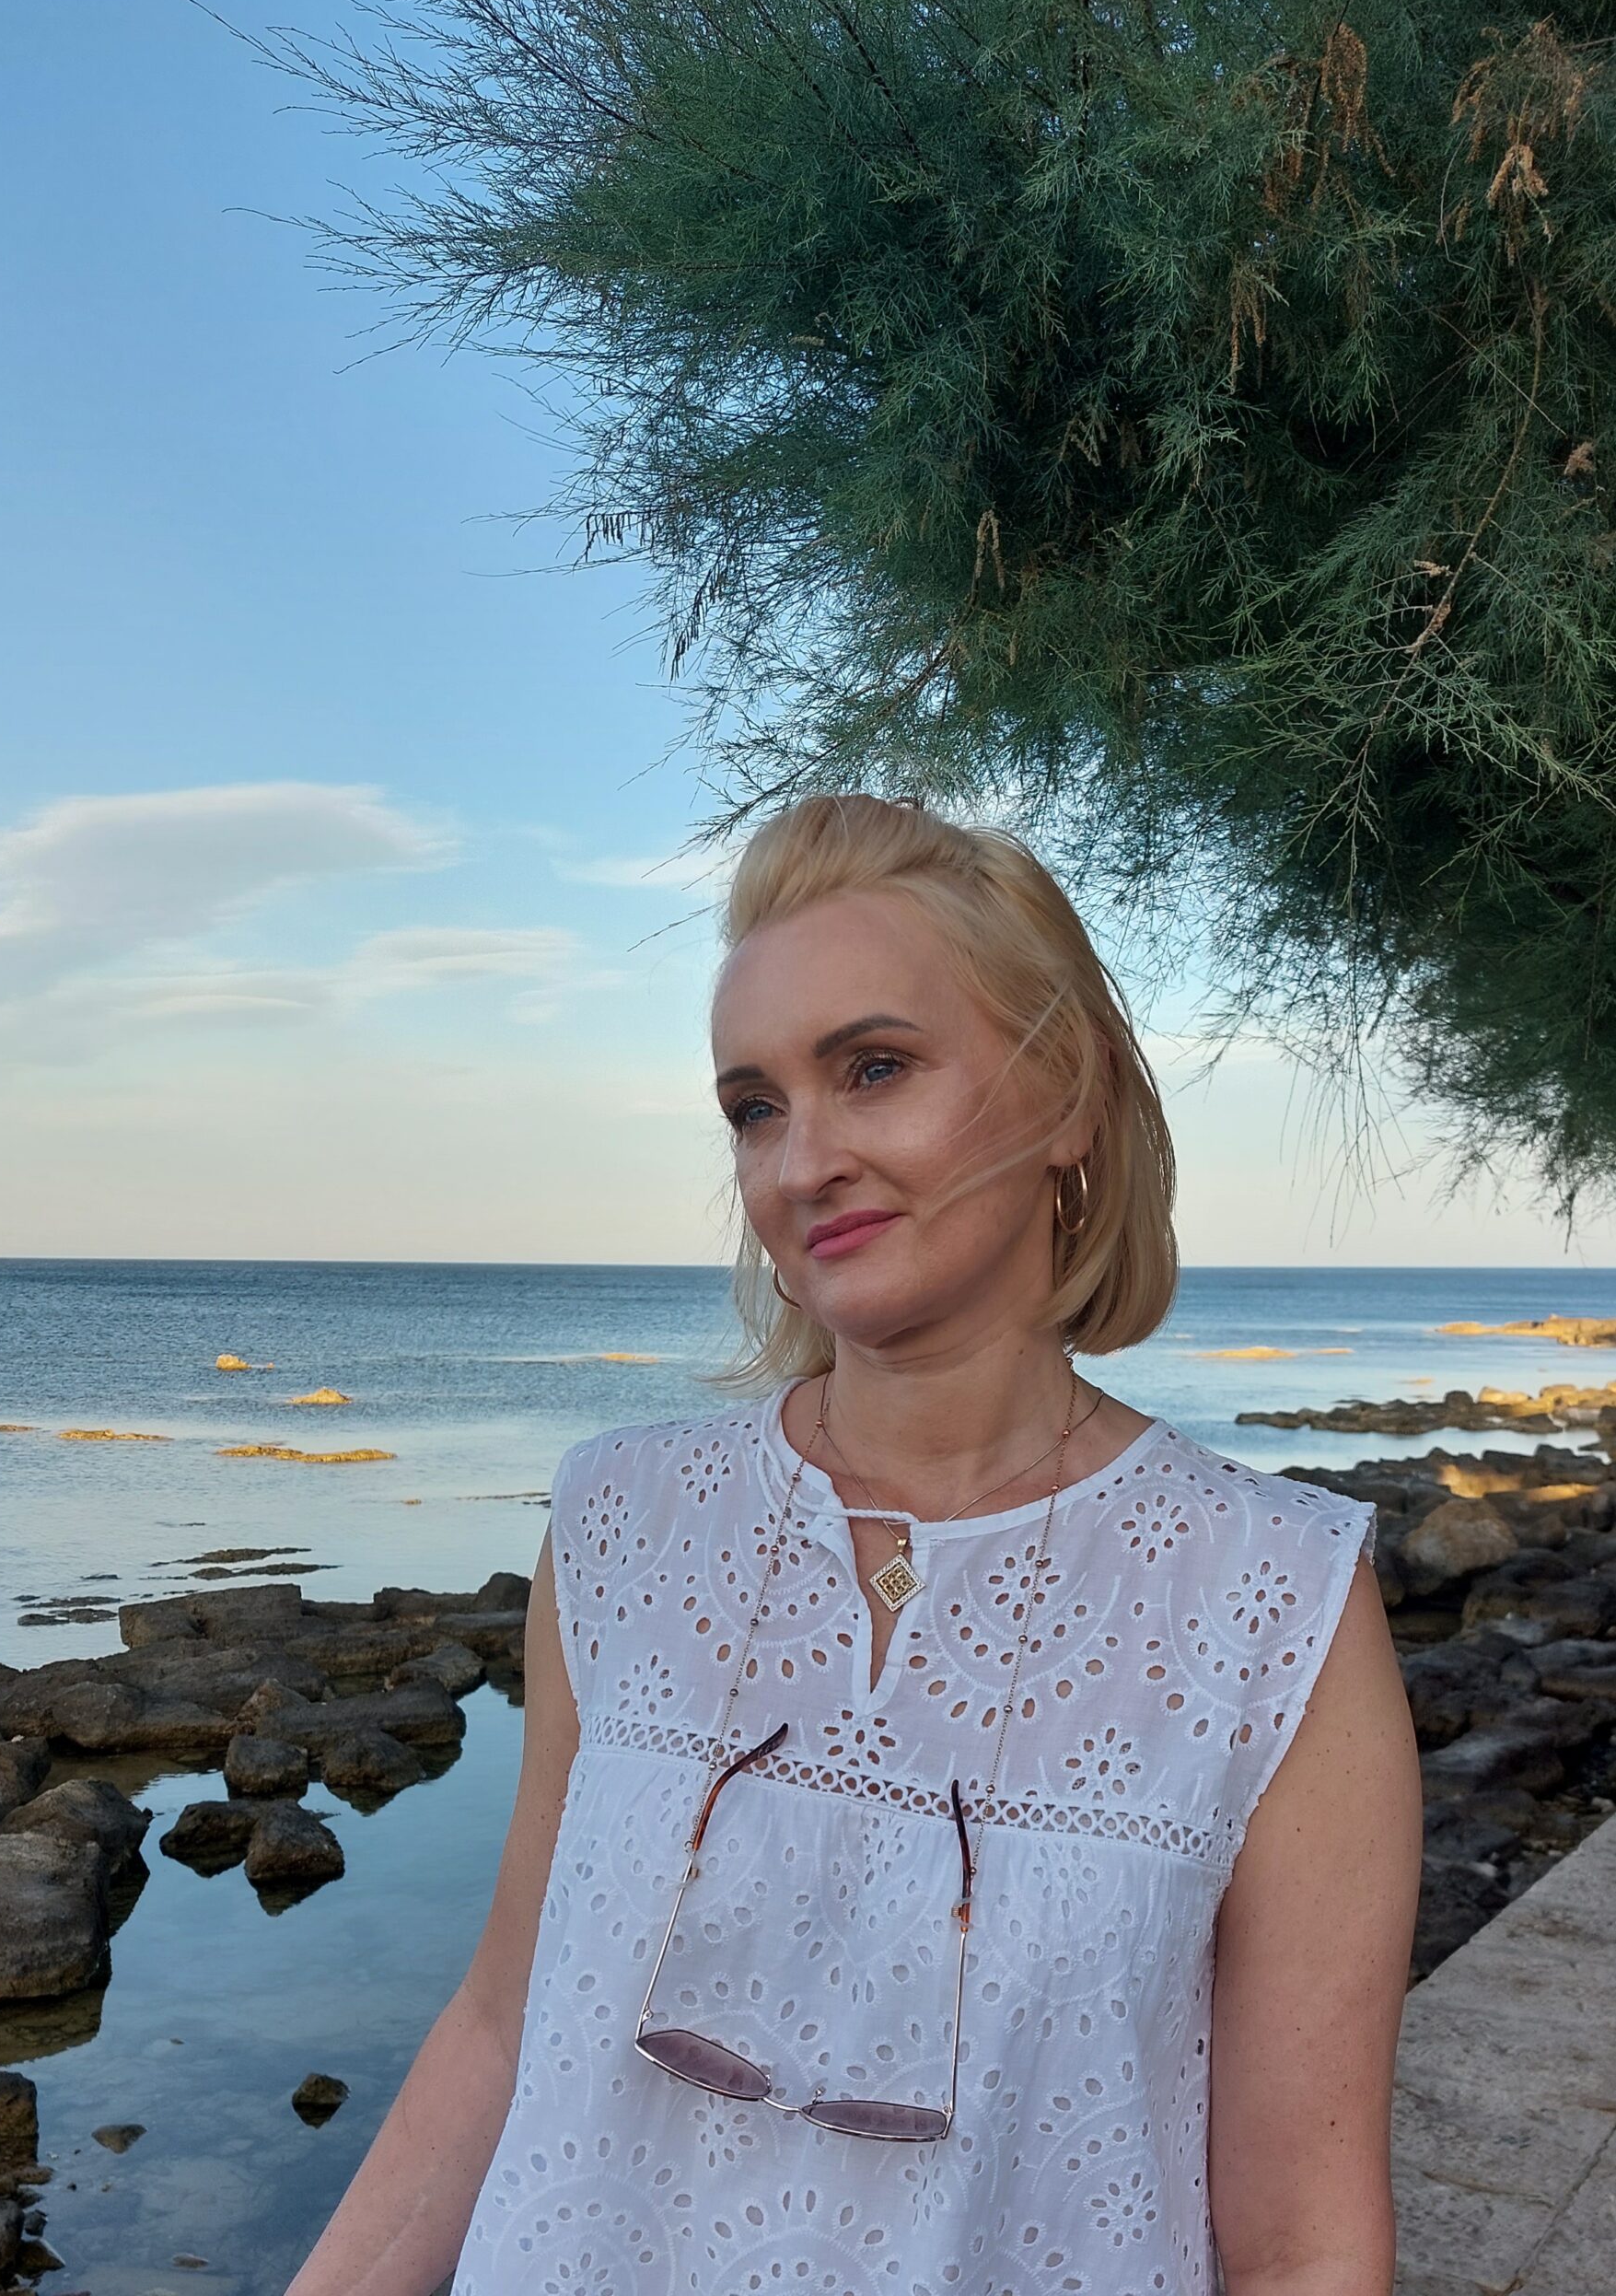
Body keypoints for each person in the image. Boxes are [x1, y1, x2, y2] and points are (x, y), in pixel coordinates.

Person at [283, 792, 1422, 2296]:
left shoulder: (1274, 1598)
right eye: (753, 1107)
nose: (799, 1160)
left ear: (1067, 1099)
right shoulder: (620, 1520)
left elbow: (1302, 2244)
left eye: (872, 1070)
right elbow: (504, 2025)